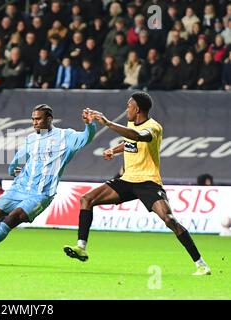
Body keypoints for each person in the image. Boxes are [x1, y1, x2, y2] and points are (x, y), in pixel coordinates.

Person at [63, 92, 211, 276]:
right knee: (86, 199)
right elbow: (129, 142)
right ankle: (81, 247)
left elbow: (138, 137)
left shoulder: (153, 127)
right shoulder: (131, 123)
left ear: (137, 109)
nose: (127, 109)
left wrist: (108, 123)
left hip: (148, 182)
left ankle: (201, 264)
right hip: (127, 180)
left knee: (169, 220)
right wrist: (114, 150)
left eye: (129, 106)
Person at [0, 104, 98, 264]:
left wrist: (90, 125)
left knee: (10, 220)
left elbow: (86, 138)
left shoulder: (65, 136)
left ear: (49, 119)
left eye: (38, 119)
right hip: (18, 188)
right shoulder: (31, 139)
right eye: (33, 119)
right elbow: (16, 162)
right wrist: (13, 169)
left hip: (40, 194)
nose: (35, 122)